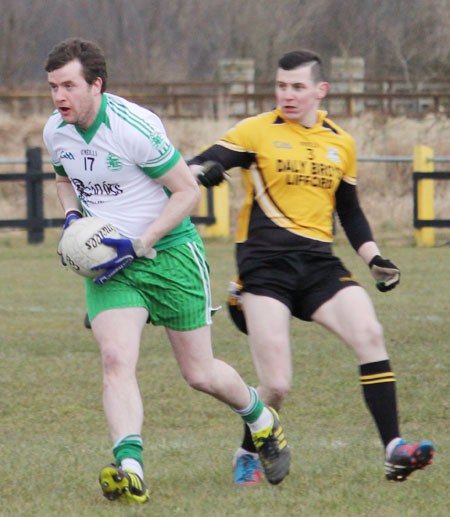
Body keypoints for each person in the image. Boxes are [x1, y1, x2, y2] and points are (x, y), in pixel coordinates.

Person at [43, 38, 291, 503]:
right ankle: (130, 468)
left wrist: (141, 243)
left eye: (69, 86)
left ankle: (261, 419)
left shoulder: (135, 126)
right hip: (112, 264)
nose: (59, 97)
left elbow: (186, 193)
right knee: (116, 359)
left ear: (96, 85)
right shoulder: (56, 131)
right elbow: (63, 179)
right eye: (53, 87)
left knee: (199, 373)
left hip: (171, 253)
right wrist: (73, 220)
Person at [188, 50, 435, 486]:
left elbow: (351, 212)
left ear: (320, 91)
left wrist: (374, 258)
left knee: (370, 334)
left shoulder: (341, 140)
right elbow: (201, 162)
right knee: (277, 386)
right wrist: (201, 172)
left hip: (320, 265)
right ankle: (249, 449)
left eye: (298, 87)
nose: (288, 94)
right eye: (281, 86)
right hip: (264, 271)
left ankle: (394, 449)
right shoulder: (255, 131)